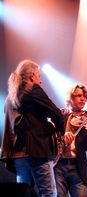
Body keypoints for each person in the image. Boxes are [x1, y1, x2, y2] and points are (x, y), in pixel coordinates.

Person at [0, 59, 65, 196]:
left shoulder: (9, 97)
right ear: (32, 76)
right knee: (48, 192)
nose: (40, 81)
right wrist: (61, 134)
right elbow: (56, 113)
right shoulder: (32, 89)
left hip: (18, 155)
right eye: (39, 76)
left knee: (24, 192)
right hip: (36, 150)